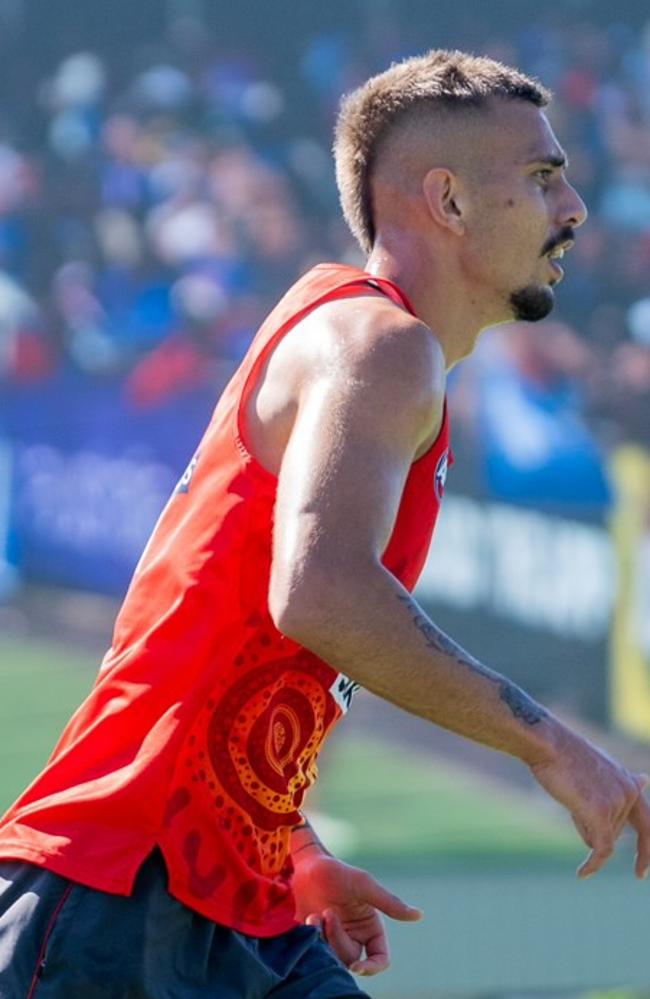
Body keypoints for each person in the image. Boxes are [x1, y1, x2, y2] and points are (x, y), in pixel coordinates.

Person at [1, 48, 649, 999]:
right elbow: (320, 594)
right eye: (544, 177)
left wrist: (287, 841)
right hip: (119, 896)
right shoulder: (380, 345)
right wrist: (551, 742)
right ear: (451, 200)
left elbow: (211, 624)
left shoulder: (361, 338)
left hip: (235, 903)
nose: (574, 208)